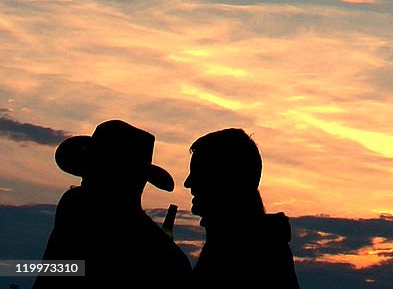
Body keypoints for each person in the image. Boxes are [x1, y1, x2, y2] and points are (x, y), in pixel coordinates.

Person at [34, 119, 191, 287]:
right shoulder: (171, 259)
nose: (84, 180)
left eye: (94, 171)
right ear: (141, 181)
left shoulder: (77, 204)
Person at [184, 128, 300, 287]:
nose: (188, 183)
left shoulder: (246, 254)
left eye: (198, 172)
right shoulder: (230, 244)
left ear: (224, 180)